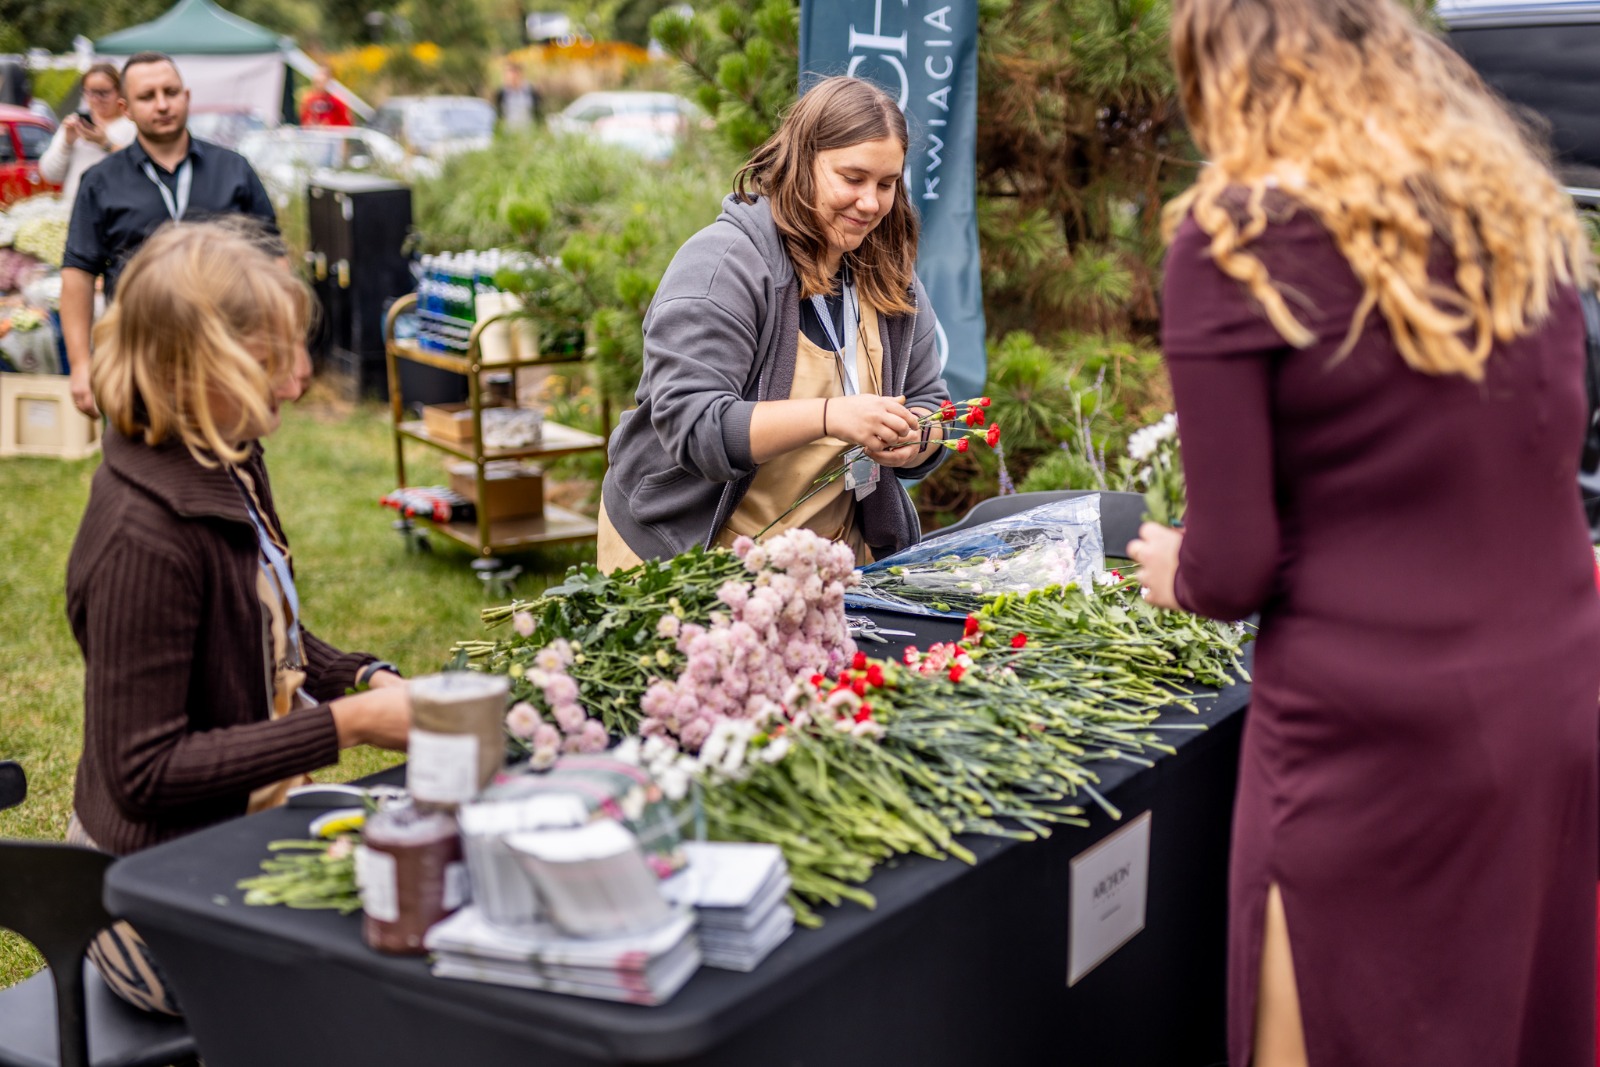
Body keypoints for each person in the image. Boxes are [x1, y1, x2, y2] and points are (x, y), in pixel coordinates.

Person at [1125, 2, 1600, 1064]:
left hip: (1370, 725)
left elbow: (1231, 563)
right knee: (1503, 1013)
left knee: (1338, 1016)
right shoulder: (1518, 222)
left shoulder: (1237, 240)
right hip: (1549, 695)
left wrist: (1171, 565)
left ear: (1226, 78)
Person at [65, 219, 412, 1015]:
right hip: (154, 903)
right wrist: (351, 723)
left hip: (232, 840)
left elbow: (268, 641)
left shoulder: (228, 454)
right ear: (192, 369)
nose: (297, 380)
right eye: (269, 360)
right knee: (398, 970)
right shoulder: (142, 538)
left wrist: (363, 675)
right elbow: (143, 772)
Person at [598, 76, 949, 570]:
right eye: (852, 178)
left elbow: (932, 403)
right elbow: (695, 428)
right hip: (688, 558)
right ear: (801, 162)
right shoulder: (722, 265)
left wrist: (916, 441)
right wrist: (832, 415)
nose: (871, 203)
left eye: (886, 184)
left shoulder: (888, 272)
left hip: (828, 562)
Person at [61, 51, 277, 418]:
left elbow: (274, 264)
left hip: (226, 357)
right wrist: (81, 365)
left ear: (187, 97)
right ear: (125, 108)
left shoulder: (234, 170)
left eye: (170, 92)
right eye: (147, 97)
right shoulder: (101, 182)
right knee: (138, 469)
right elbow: (78, 276)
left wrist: (283, 350)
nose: (162, 105)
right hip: (135, 359)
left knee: (228, 468)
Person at [39, 63, 136, 206]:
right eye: (90, 93)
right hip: (75, 210)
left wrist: (105, 143)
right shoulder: (75, 123)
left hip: (117, 212)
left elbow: (138, 169)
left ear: (119, 91)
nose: (96, 99)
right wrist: (67, 142)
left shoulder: (132, 126)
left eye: (103, 93)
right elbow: (50, 175)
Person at [493, 61, 540, 131]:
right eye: (509, 73)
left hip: (528, 130)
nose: (512, 77)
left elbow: (538, 111)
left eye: (514, 73)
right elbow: (498, 113)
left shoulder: (531, 91)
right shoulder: (501, 93)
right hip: (508, 132)